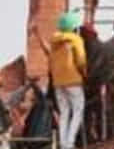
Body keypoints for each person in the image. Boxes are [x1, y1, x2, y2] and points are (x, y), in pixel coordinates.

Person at [35, 12, 88, 149]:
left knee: (64, 113)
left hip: (58, 83)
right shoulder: (76, 39)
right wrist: (85, 74)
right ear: (74, 27)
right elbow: (81, 60)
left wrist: (37, 35)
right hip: (73, 80)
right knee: (78, 110)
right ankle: (70, 142)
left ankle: (63, 143)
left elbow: (48, 54)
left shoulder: (54, 42)